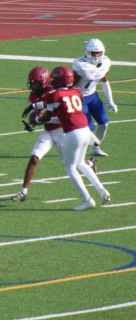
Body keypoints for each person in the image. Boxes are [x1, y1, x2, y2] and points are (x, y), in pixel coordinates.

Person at [32, 66, 110, 210]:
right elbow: (62, 110)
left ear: (58, 80)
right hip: (85, 130)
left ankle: (87, 199)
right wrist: (35, 106)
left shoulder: (53, 95)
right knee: (81, 163)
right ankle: (102, 191)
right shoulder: (76, 91)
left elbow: (47, 116)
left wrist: (36, 120)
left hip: (73, 133)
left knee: (70, 167)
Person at [12, 67, 64, 202]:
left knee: (74, 164)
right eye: (32, 84)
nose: (33, 87)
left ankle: (90, 164)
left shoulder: (53, 91)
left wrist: (35, 110)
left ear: (44, 82)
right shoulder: (33, 95)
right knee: (34, 158)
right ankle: (23, 192)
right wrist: (31, 124)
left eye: (35, 84)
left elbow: (47, 107)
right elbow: (38, 115)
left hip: (62, 131)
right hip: (48, 131)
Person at [72, 38, 116, 157]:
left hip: (93, 96)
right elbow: (70, 85)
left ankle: (95, 148)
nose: (96, 56)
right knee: (87, 129)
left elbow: (105, 81)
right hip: (80, 98)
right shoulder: (80, 65)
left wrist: (110, 101)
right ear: (87, 52)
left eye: (98, 53)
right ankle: (78, 151)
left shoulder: (105, 62)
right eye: (93, 53)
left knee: (104, 124)